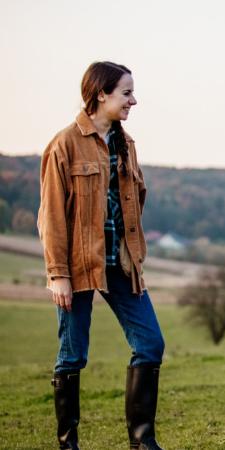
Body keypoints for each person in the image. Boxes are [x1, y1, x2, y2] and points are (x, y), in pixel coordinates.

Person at [38, 61, 165, 450]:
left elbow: (135, 201)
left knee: (150, 343)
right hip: (77, 269)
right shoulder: (64, 144)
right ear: (100, 95)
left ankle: (142, 442)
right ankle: (68, 443)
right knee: (72, 355)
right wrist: (58, 273)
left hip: (122, 265)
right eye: (126, 93)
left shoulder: (126, 145)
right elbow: (52, 215)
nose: (134, 100)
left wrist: (134, 252)